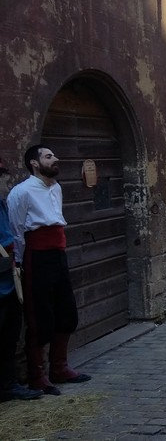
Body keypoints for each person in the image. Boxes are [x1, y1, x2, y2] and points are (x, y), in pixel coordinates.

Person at [7, 145, 91, 396]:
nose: (56, 159)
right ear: (34, 163)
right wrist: (20, 263)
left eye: (54, 155)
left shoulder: (56, 187)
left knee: (67, 311)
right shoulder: (20, 193)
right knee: (39, 315)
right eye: (48, 156)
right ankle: (37, 376)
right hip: (36, 256)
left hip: (58, 254)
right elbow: (17, 230)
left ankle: (60, 368)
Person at [0, 159, 43, 402]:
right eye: (2, 176)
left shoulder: (3, 205)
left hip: (8, 280)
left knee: (9, 337)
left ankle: (8, 384)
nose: (5, 181)